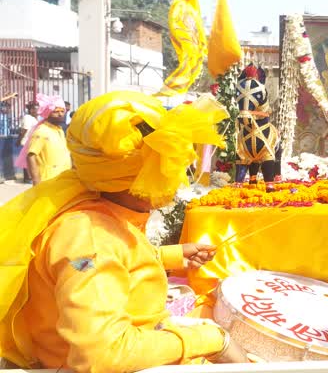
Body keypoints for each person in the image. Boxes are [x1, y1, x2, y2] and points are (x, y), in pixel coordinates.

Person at [0, 91, 249, 371]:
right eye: (171, 164)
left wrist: (168, 256)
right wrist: (212, 340)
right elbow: (102, 357)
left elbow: (95, 266)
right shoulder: (90, 236)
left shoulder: (93, 204)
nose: (178, 178)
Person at [17, 96, 71, 185]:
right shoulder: (42, 131)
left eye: (62, 111)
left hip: (62, 179)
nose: (60, 114)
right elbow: (31, 156)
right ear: (48, 113)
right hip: (47, 179)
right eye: (56, 112)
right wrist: (36, 180)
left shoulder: (59, 130)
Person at [17, 101, 39, 183]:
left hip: (33, 141)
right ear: (31, 110)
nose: (37, 111)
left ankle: (29, 177)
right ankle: (27, 178)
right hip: (27, 142)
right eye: (35, 109)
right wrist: (19, 140)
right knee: (27, 161)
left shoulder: (34, 118)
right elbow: (24, 130)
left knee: (31, 160)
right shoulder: (27, 117)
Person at [0, 101, 14, 183]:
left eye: (9, 107)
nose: (8, 109)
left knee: (6, 159)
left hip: (7, 138)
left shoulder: (7, 116)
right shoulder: (1, 116)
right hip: (1, 138)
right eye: (6, 107)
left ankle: (8, 175)